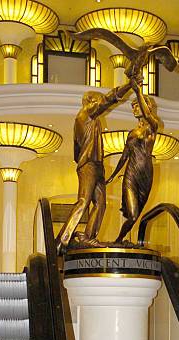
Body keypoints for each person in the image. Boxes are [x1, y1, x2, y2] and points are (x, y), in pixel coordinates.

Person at [55, 79, 137, 253]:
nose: (101, 104)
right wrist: (129, 85)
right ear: (90, 102)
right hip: (89, 165)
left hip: (97, 165)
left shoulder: (93, 120)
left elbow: (76, 149)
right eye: (98, 101)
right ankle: (62, 240)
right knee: (83, 201)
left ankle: (88, 237)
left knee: (101, 204)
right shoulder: (84, 115)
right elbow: (108, 99)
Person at [106, 80, 158, 243]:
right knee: (133, 213)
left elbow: (148, 115)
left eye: (137, 105)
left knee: (136, 215)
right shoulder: (132, 133)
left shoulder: (152, 125)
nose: (134, 108)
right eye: (133, 106)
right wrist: (113, 175)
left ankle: (119, 241)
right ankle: (118, 240)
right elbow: (124, 156)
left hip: (146, 174)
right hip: (130, 174)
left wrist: (138, 91)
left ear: (146, 107)